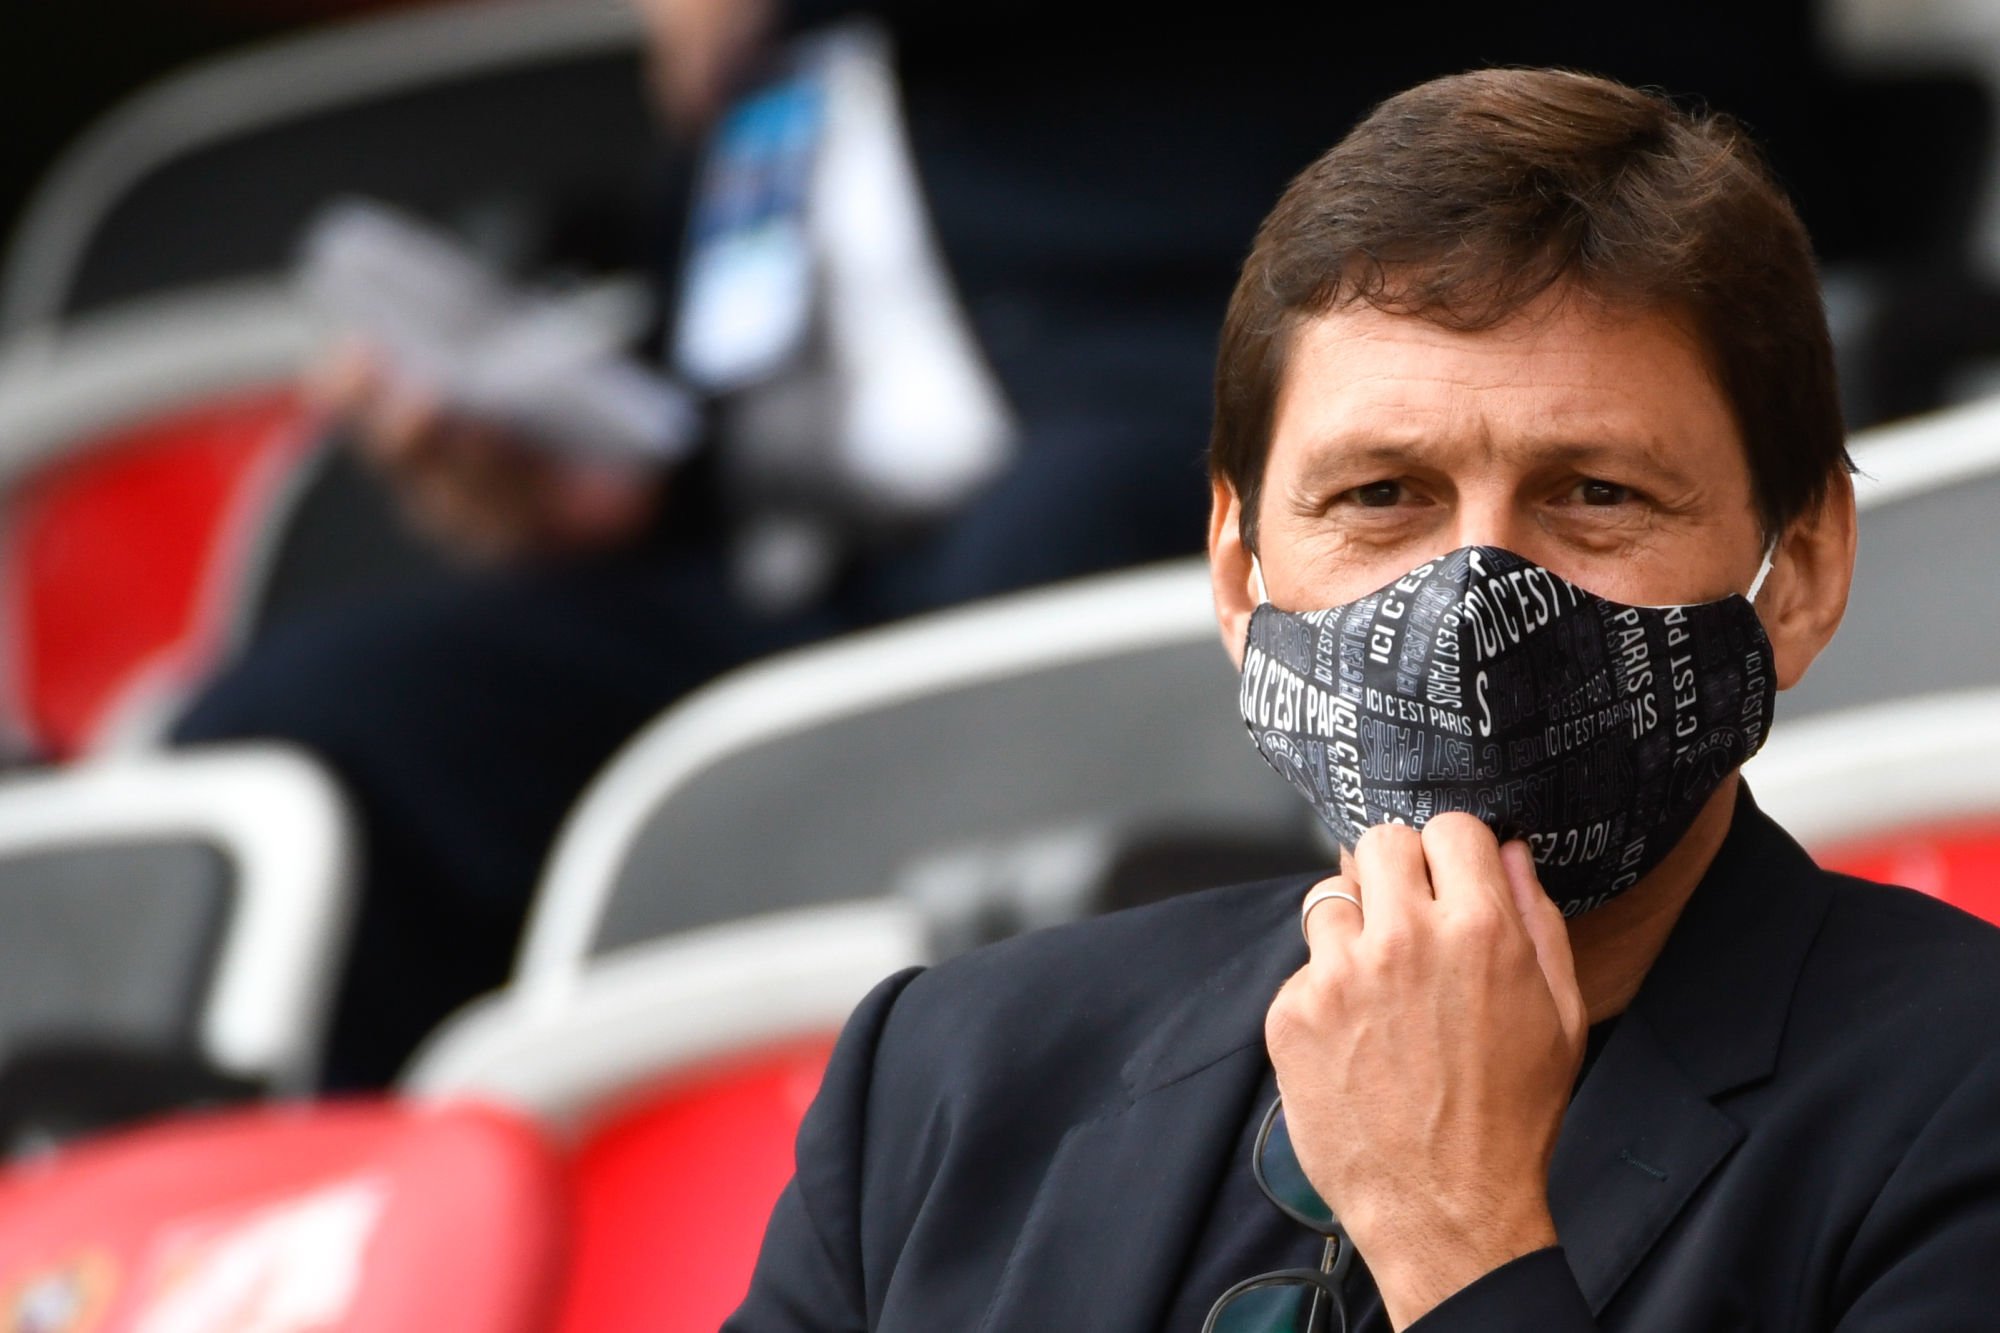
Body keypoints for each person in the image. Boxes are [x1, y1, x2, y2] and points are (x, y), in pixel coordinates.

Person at [725, 69, 2000, 1331]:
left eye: (1595, 493)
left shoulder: (1957, 1099)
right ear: (1238, 572)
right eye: (1380, 496)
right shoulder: (944, 1080)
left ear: (1802, 572)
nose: (1473, 596)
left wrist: (1454, 1228)